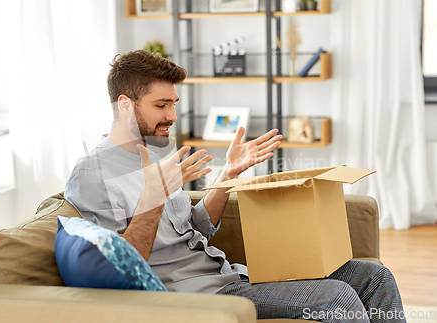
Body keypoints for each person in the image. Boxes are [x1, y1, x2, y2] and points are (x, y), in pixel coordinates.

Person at [64, 50, 406, 322]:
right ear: (125, 105)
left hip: (229, 276)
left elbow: (196, 228)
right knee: (337, 299)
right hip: (194, 298)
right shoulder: (92, 175)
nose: (172, 116)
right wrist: (152, 199)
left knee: (374, 276)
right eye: (161, 105)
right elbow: (118, 266)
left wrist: (230, 173)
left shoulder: (153, 154)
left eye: (173, 104)